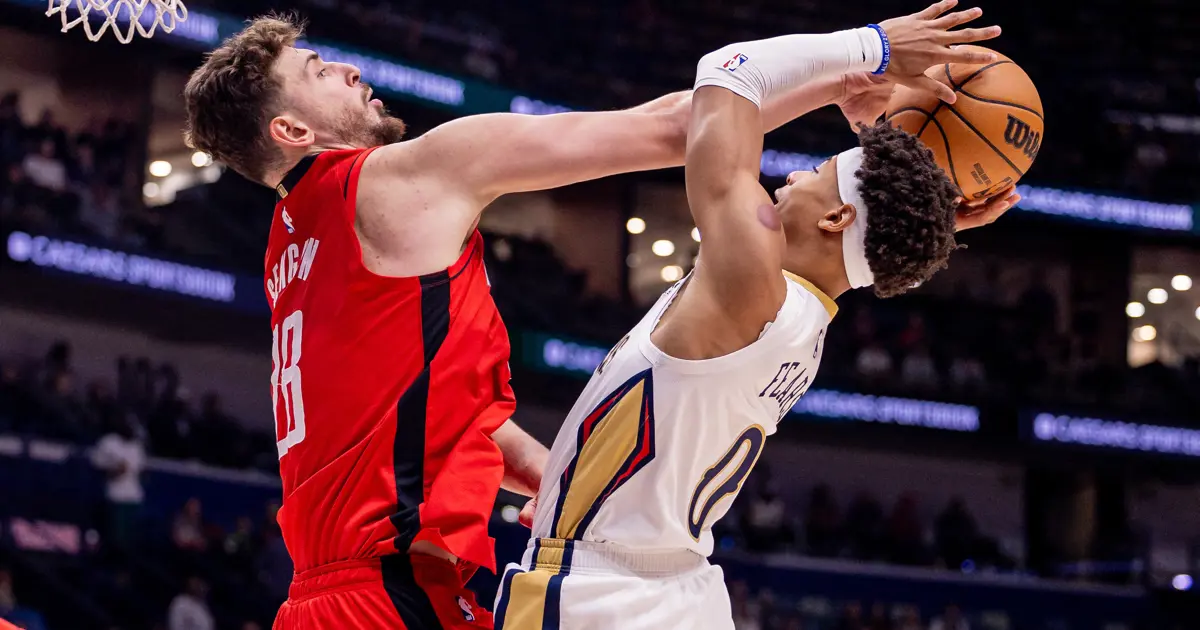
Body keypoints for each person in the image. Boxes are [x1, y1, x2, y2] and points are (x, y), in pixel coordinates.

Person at [181, 12, 948, 630]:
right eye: (318, 72)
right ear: (290, 131)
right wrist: (862, 59)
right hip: (387, 595)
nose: (349, 68)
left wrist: (584, 498)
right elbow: (674, 128)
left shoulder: (291, 249)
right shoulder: (403, 176)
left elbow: (450, 425)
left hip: (328, 594)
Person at [493, 2, 1017, 628]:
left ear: (838, 218)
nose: (794, 173)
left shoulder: (751, 280)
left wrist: (870, 46)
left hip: (599, 596)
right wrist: (932, 221)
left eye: (819, 174)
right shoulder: (806, 317)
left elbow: (728, 72)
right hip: (679, 591)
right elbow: (878, 246)